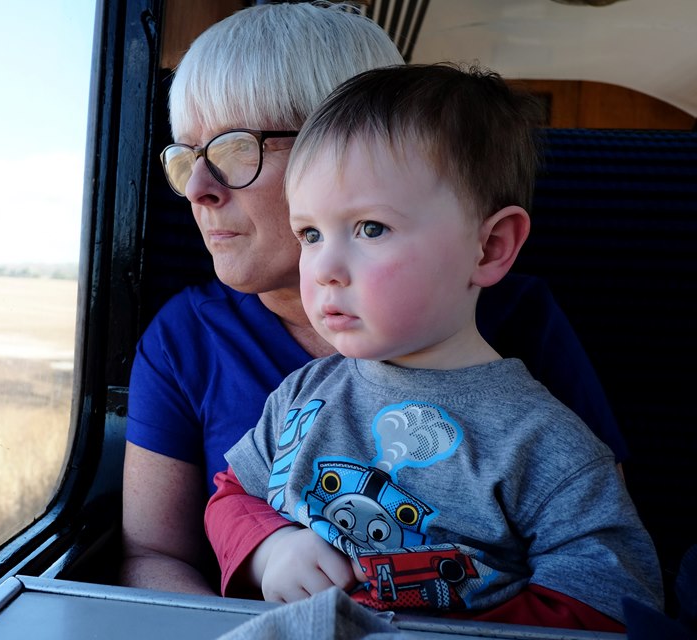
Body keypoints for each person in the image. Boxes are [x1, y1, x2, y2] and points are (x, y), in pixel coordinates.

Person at [121, 1, 627, 596]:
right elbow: (156, 551)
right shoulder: (190, 340)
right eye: (187, 159)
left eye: (236, 149)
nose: (198, 190)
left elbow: (599, 566)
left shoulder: (518, 325)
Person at [205, 63, 662, 630]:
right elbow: (232, 496)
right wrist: (270, 548)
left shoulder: (544, 445)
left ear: (490, 247)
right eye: (311, 234)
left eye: (370, 228)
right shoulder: (302, 394)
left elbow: (609, 599)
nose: (323, 269)